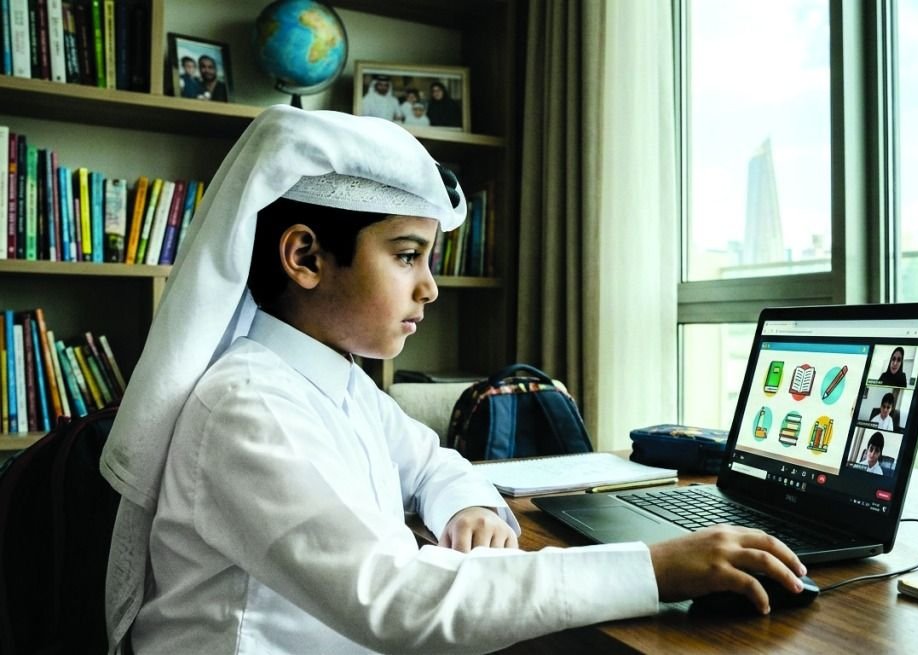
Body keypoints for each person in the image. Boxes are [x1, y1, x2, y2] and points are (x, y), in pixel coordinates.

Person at [99, 105, 807, 654]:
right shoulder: (245, 407)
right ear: (306, 256)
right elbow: (395, 599)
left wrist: (467, 506)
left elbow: (435, 462)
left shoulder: (340, 384)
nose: (430, 288)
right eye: (407, 255)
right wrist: (655, 569)